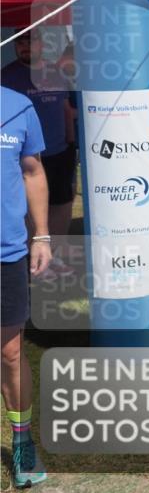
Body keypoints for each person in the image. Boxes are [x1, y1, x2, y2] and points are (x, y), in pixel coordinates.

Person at [1, 86, 52, 487]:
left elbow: (32, 171)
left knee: (11, 352)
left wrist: (42, 236)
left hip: (7, 252)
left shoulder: (19, 106)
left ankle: (23, 447)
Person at [1, 33, 75, 274]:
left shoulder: (56, 73)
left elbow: (65, 108)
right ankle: (26, 254)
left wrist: (71, 140)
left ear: (42, 43)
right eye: (19, 41)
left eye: (29, 40)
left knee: (62, 203)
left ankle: (55, 255)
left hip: (58, 149)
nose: (24, 46)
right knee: (23, 203)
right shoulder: (7, 75)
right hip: (23, 153)